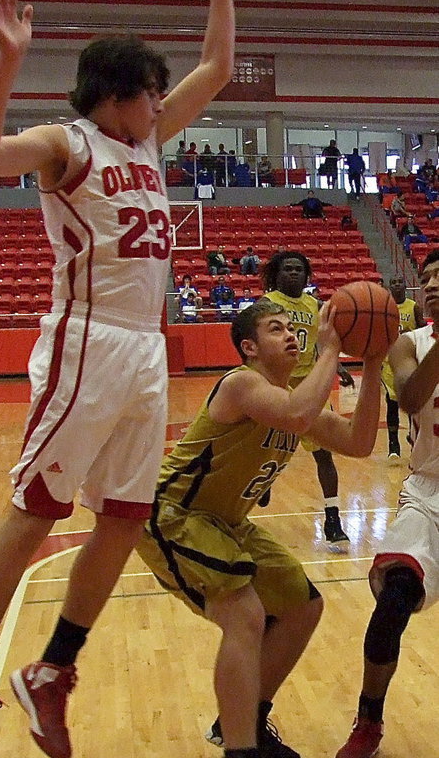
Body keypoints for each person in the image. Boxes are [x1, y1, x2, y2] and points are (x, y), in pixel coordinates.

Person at [0, 0, 235, 758]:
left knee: (125, 519)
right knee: (38, 509)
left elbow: (220, 65)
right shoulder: (70, 144)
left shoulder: (150, 140)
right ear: (115, 93)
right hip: (87, 338)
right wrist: (6, 60)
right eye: (150, 93)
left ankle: (52, 670)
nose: (162, 105)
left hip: (144, 348)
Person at [136, 298, 386, 758]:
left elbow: (359, 441)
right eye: (277, 329)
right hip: (175, 515)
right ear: (249, 347)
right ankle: (241, 749)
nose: (291, 334)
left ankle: (243, 717)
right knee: (244, 614)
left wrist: (372, 362)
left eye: (293, 327)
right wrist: (331, 349)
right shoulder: (241, 383)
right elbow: (294, 413)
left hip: (227, 523)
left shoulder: (295, 399)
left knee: (304, 606)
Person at [335, 248, 439, 758]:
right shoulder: (409, 342)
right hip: (429, 493)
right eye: (428, 278)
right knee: (394, 597)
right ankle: (368, 721)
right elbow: (414, 398)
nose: (433, 284)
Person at [263, 251, 356, 545]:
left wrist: (338, 366)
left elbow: (324, 342)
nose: (293, 273)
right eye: (287, 269)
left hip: (308, 383)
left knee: (323, 452)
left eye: (298, 270)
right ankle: (259, 483)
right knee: (262, 446)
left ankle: (332, 519)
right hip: (275, 382)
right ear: (276, 275)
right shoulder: (265, 305)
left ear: (307, 276)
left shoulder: (316, 305)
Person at [380, 275, 425, 464]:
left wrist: (411, 336)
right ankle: (393, 447)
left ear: (405, 286)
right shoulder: (384, 308)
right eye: (394, 282)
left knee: (413, 407)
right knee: (392, 406)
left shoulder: (413, 307)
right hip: (389, 363)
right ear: (389, 286)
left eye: (400, 282)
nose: (397, 285)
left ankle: (415, 444)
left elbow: (423, 330)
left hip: (409, 364)